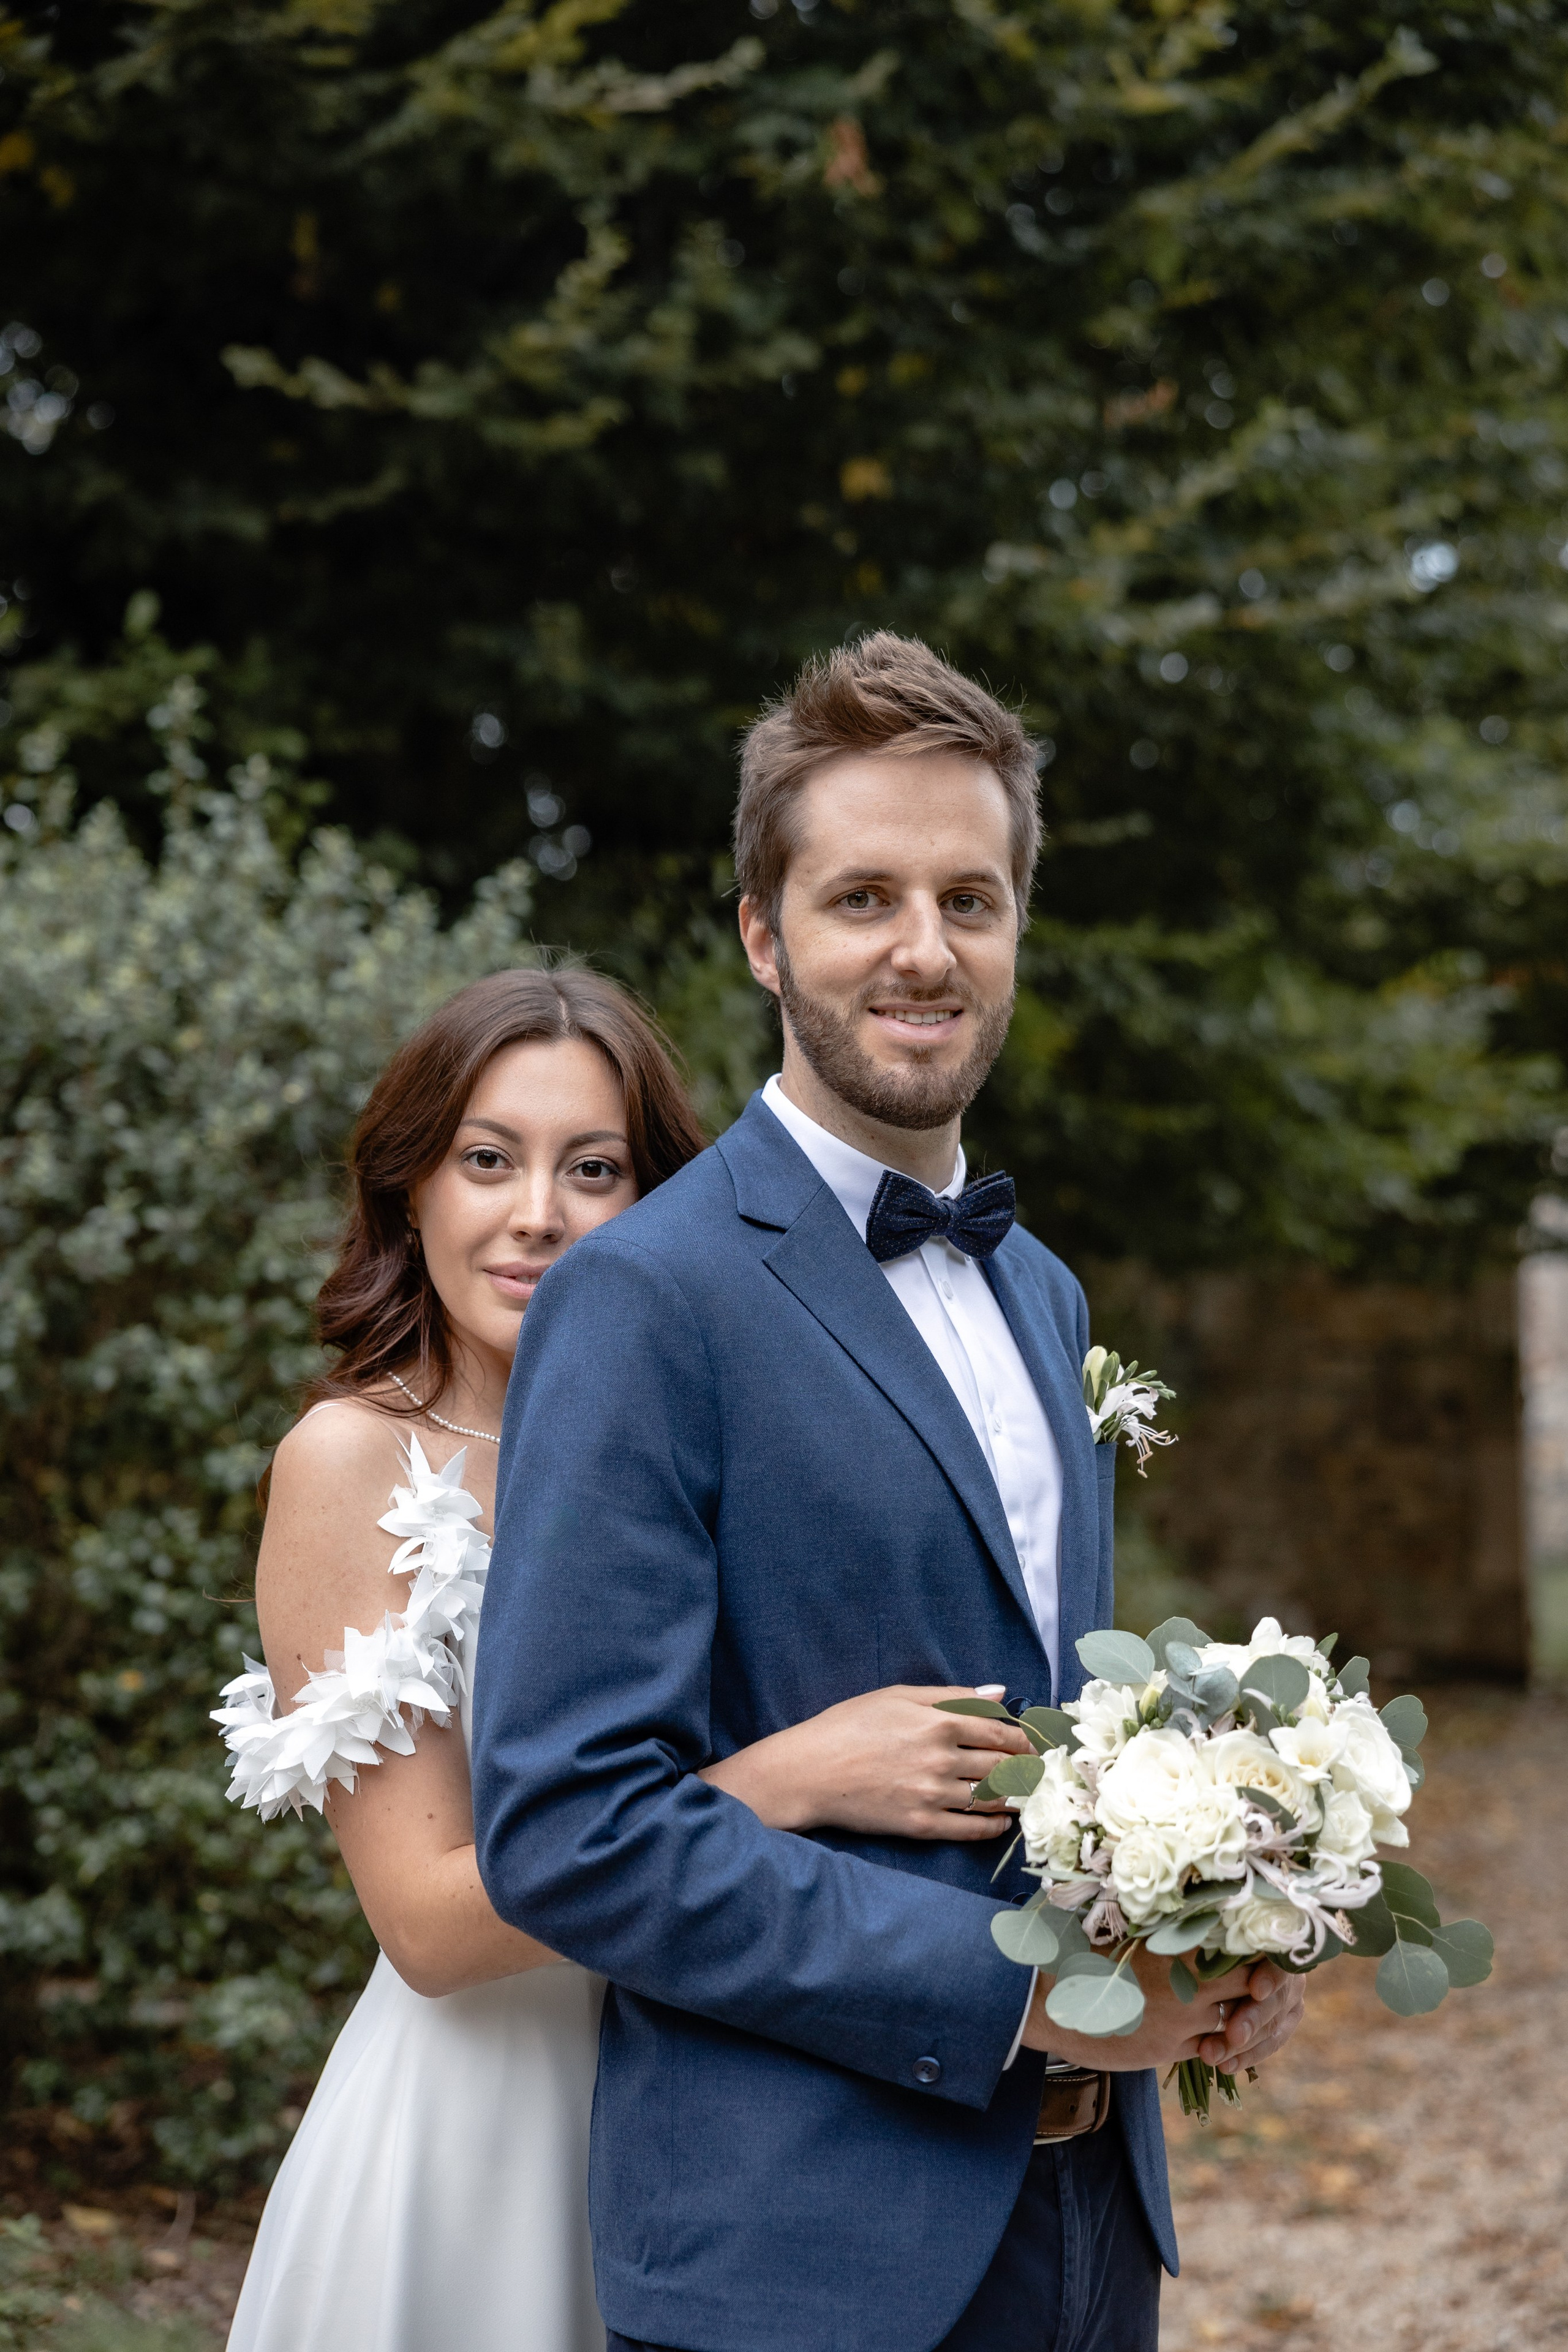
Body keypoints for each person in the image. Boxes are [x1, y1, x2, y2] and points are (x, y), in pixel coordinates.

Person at [471, 635, 1306, 2352]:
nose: (926, 949)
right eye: (865, 898)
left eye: (972, 899)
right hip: (800, 2259)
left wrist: (1222, 1921)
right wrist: (1023, 2003)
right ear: (767, 937)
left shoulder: (1046, 1296)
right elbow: (570, 1831)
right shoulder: (646, 1300)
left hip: (1091, 2230)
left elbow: (1065, 1747)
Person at [217, 965, 1038, 2352]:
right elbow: (424, 1926)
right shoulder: (350, 1462)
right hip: (486, 2124)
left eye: (592, 1168)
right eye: (486, 1160)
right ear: (410, 1187)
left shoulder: (709, 1425)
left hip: (741, 2102)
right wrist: (781, 1780)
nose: (535, 1214)